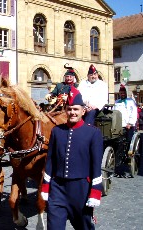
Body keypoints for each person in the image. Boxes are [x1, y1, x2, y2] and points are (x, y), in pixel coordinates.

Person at [41, 86, 103, 230]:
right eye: (69, 109)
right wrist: (45, 186)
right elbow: (50, 161)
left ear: (83, 110)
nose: (72, 112)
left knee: (84, 227)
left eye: (75, 109)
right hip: (57, 188)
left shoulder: (93, 133)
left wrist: (95, 191)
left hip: (81, 189)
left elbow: (96, 166)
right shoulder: (57, 131)